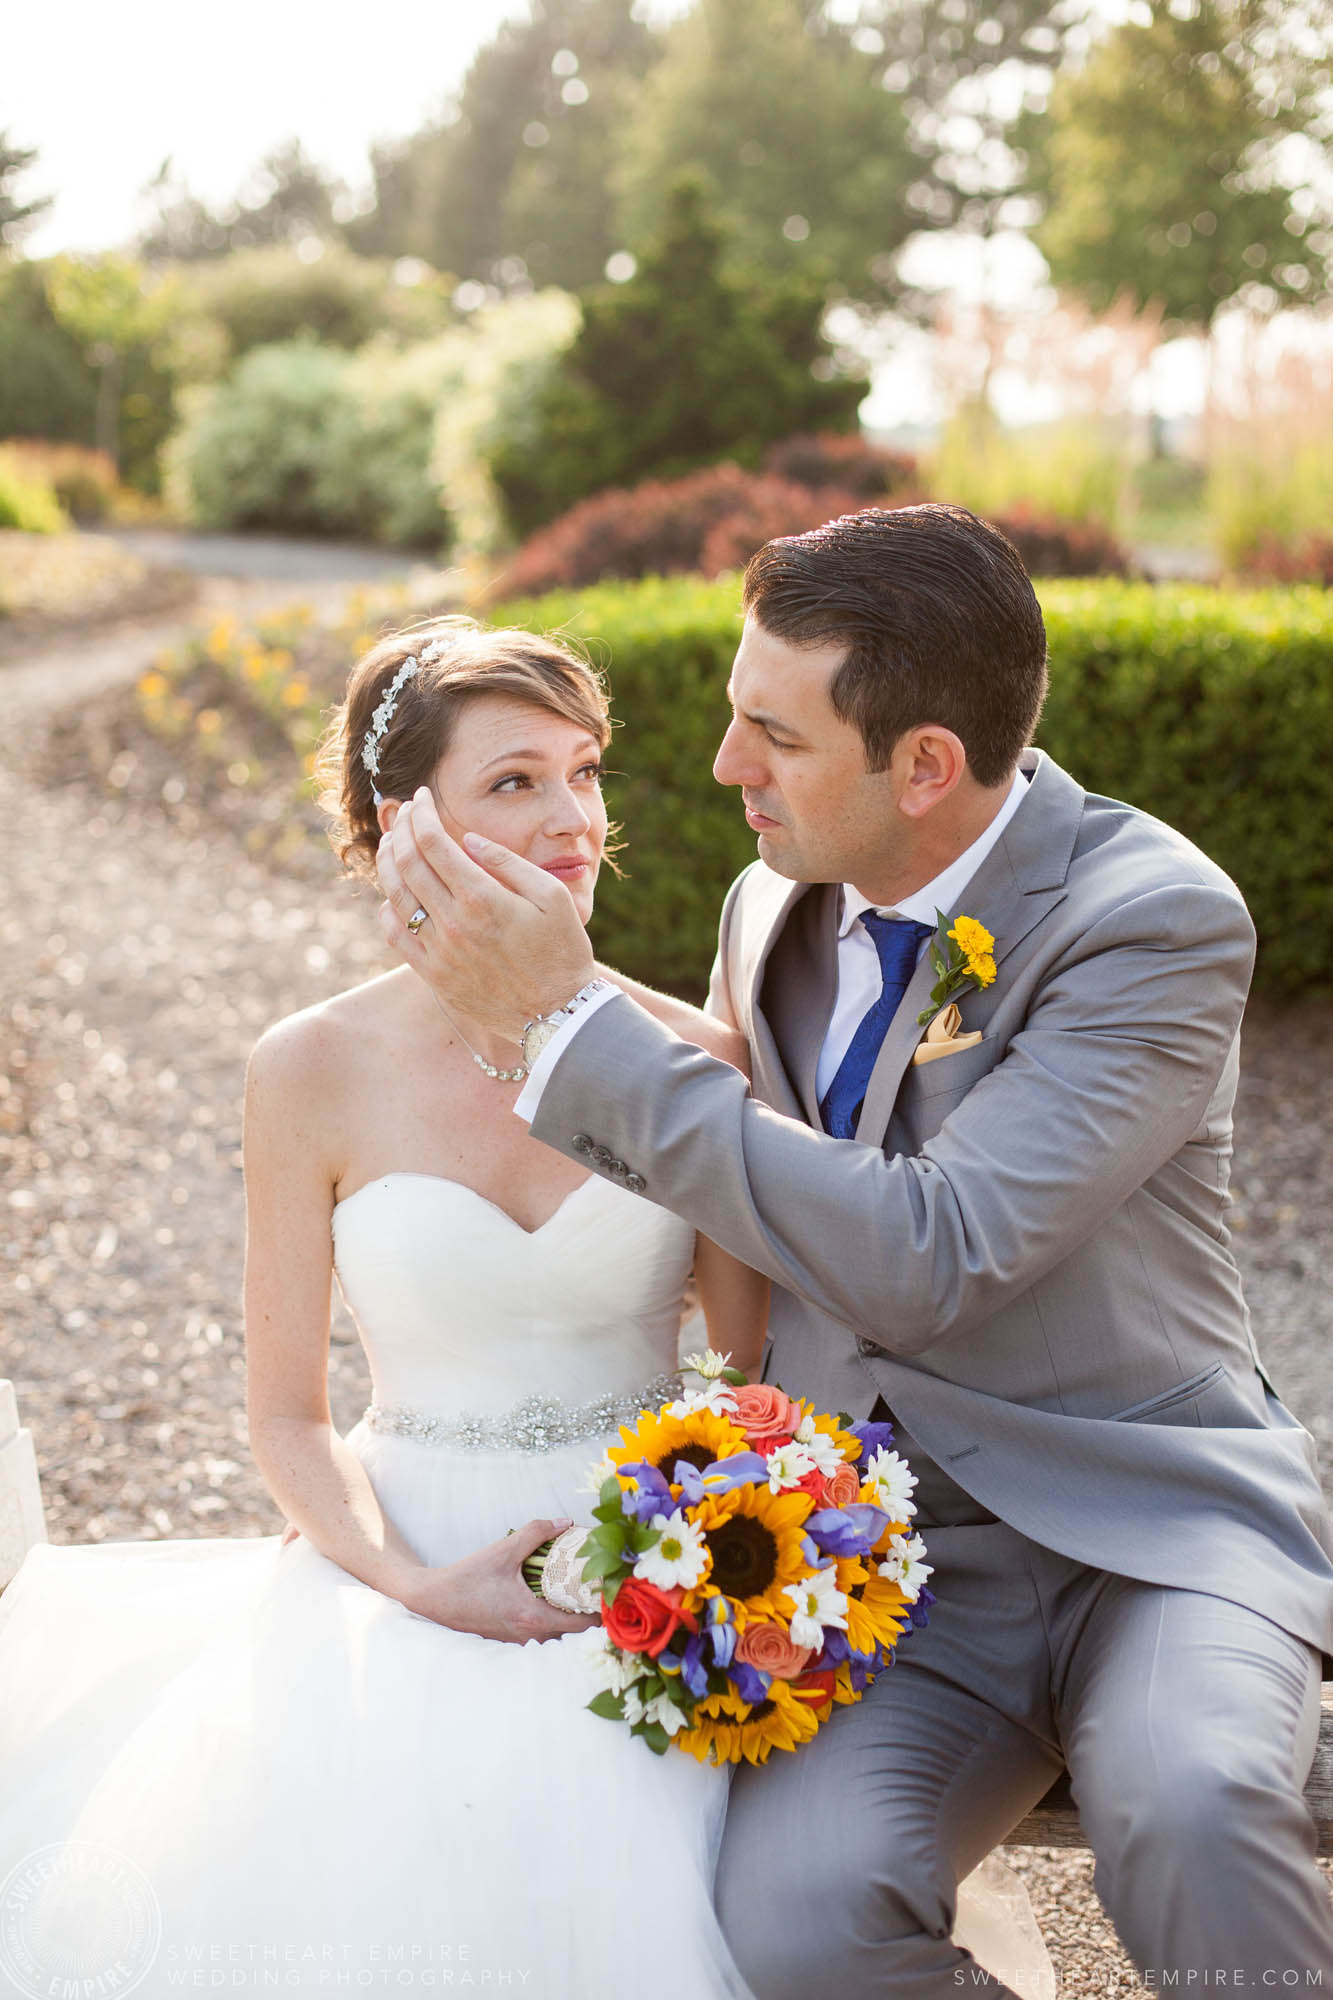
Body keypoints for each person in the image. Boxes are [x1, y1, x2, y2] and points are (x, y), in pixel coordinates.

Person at [0, 616, 1051, 1997]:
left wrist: (727, 1559)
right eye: (514, 781)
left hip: (652, 1565)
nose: (572, 817)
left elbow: (749, 1368)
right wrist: (416, 1584)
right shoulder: (308, 1068)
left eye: (584, 771)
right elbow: (286, 1416)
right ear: (405, 821)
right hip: (402, 1556)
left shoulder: (694, 1054)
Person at [375, 507, 1333, 1996]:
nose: (722, 767)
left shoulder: (1149, 922)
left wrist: (570, 1027)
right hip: (885, 1561)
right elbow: (743, 1217)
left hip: (1145, 1536)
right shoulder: (767, 901)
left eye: (774, 734)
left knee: (1193, 1811)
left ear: (925, 766)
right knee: (797, 1920)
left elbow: (935, 1250)